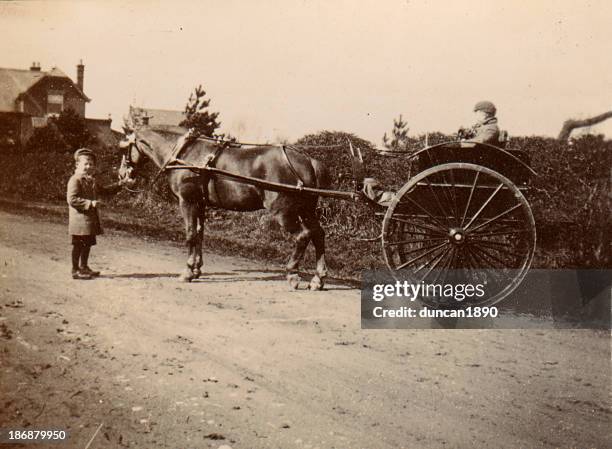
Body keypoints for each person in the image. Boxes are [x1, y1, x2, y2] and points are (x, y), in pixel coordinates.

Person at [67, 148, 131, 279]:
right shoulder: (75, 180)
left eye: (91, 164)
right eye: (85, 164)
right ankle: (75, 270)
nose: (88, 166)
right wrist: (91, 203)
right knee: (78, 245)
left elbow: (105, 191)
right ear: (77, 165)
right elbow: (71, 199)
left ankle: (84, 267)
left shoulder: (92, 181)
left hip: (89, 220)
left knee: (88, 244)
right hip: (79, 220)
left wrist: (121, 184)